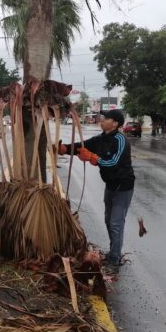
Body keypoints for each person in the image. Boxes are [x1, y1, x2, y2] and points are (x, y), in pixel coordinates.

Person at [58, 109, 136, 273]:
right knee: (108, 220)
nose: (102, 119)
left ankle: (115, 258)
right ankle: (113, 251)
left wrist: (93, 158)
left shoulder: (120, 141)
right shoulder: (100, 139)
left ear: (115, 123)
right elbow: (82, 147)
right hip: (110, 185)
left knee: (116, 223)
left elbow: (113, 163)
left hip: (123, 186)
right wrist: (65, 148)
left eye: (106, 118)